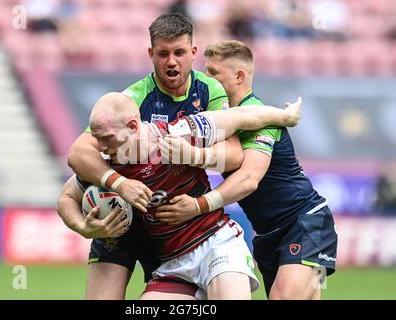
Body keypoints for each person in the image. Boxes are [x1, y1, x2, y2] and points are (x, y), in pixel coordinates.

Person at [65, 13, 244, 299]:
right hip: (119, 223)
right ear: (151, 54)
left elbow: (233, 155)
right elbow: (79, 153)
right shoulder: (134, 98)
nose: (171, 61)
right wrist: (117, 186)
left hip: (174, 233)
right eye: (163, 54)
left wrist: (192, 155)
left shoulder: (209, 91)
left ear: (193, 53)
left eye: (179, 53)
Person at [58, 92, 301, 299]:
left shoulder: (177, 134)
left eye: (105, 138)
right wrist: (85, 228)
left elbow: (241, 117)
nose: (98, 146)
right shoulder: (107, 166)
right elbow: (67, 198)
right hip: (173, 264)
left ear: (132, 127)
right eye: (96, 138)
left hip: (216, 245)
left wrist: (286, 116)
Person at [156, 40, 338, 300]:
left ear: (239, 76)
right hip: (266, 232)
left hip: (303, 221)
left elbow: (249, 179)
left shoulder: (259, 118)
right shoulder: (222, 118)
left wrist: (198, 206)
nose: (207, 80)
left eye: (214, 73)